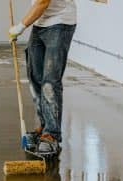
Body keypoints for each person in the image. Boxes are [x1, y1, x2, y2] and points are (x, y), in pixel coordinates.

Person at [9, 0, 77, 155]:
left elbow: (42, 2)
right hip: (40, 23)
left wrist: (20, 27)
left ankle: (52, 134)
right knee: (35, 77)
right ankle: (44, 127)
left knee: (49, 82)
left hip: (60, 22)